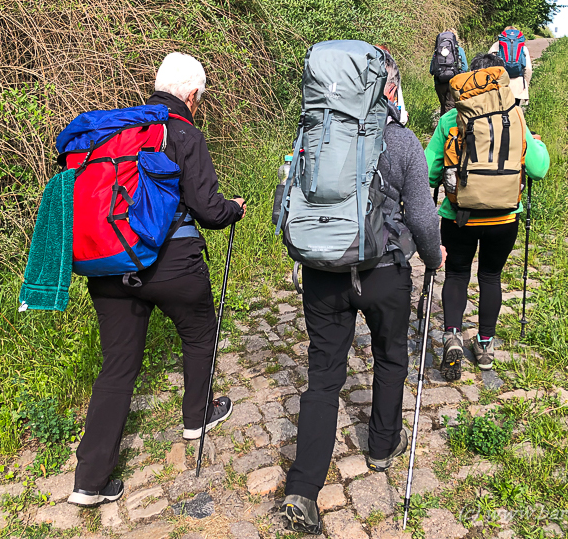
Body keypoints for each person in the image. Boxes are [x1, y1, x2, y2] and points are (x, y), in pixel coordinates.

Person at [68, 53, 247, 506]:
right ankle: (197, 417)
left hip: (110, 264)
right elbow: (208, 210)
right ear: (191, 95)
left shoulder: (118, 133)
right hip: (172, 265)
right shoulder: (183, 132)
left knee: (117, 367)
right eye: (199, 98)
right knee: (200, 332)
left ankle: (89, 482)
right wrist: (234, 209)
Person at [282, 49, 445, 534]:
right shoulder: (401, 140)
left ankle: (302, 489)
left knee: (323, 376)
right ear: (387, 90)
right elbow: (422, 218)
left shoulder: (314, 132)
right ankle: (382, 445)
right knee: (391, 356)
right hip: (383, 272)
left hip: (322, 269)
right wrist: (434, 257)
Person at [425, 53, 549, 378]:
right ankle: (484, 345)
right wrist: (538, 145)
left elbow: (429, 172)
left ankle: (452, 336)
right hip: (504, 218)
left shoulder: (451, 119)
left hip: (460, 216)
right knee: (491, 276)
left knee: (456, 274)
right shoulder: (516, 115)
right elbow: (538, 169)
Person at [489, 26, 533, 107]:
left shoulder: (496, 46)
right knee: (515, 109)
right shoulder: (522, 47)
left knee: (500, 110)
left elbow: (487, 66)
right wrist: (526, 84)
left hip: (500, 84)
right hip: (517, 85)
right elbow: (528, 69)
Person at [430, 28, 468, 115]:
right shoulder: (459, 50)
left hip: (439, 82)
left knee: (443, 106)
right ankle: (449, 123)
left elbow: (431, 69)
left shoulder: (438, 50)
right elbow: (465, 67)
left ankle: (441, 123)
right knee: (450, 107)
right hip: (453, 81)